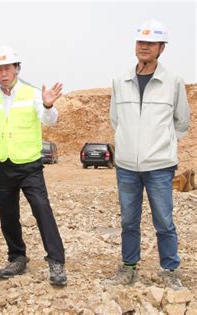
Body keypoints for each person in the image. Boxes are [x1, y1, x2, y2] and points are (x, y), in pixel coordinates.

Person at [107, 20, 190, 289]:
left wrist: (160, 145)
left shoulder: (174, 82)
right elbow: (115, 119)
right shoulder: (120, 81)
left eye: (151, 43)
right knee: (128, 221)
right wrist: (130, 144)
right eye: (141, 42)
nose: (144, 47)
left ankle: (170, 271)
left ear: (161, 48)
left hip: (160, 166)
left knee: (164, 221)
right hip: (127, 166)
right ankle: (129, 267)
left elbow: (181, 122)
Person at [0, 46, 67, 286]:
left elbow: (50, 120)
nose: (4, 73)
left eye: (8, 68)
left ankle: (56, 261)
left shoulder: (33, 94)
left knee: (42, 210)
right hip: (2, 165)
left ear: (17, 69)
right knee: (8, 215)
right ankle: (17, 258)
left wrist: (48, 105)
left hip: (29, 166)